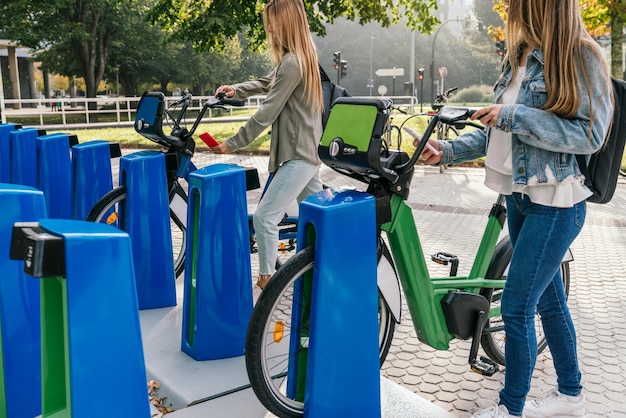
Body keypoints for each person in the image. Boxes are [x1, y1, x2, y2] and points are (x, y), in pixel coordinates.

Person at [418, 0, 613, 417]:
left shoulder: (580, 55)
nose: (509, 14)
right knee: (549, 303)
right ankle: (571, 393)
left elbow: (590, 135)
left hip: (557, 203)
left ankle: (510, 408)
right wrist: (449, 151)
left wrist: (515, 115)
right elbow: (500, 133)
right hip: (521, 198)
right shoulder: (519, 54)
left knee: (517, 307)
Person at [211, 0, 324, 290]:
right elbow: (268, 82)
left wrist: (232, 144)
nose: (269, 28)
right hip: (308, 154)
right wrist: (237, 89)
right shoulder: (301, 57)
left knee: (265, 217)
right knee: (321, 223)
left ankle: (267, 282)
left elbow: (266, 112)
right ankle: (327, 273)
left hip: (299, 156)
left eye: (273, 22)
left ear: (287, 22)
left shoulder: (292, 63)